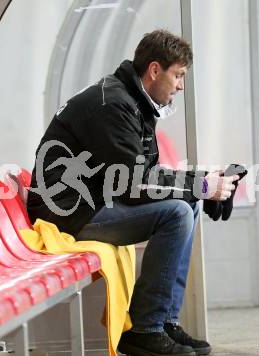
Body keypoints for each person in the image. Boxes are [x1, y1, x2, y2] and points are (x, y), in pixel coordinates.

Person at [27, 30, 238, 356]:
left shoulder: (133, 100)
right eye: (178, 75)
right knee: (178, 210)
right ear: (155, 70)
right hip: (67, 213)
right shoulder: (112, 105)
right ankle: (144, 329)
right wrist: (202, 186)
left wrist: (201, 184)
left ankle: (163, 321)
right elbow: (135, 184)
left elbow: (143, 175)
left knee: (186, 202)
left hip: (92, 202)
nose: (181, 85)